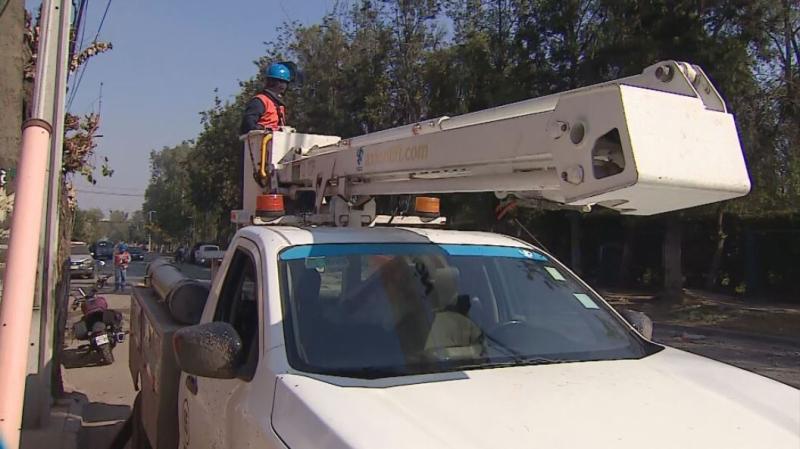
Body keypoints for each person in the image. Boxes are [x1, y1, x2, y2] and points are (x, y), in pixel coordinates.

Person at [240, 62, 293, 134]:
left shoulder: (279, 105)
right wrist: (266, 129)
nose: (283, 85)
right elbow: (247, 126)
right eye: (281, 82)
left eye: (285, 82)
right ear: (271, 81)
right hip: (260, 143)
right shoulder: (259, 101)